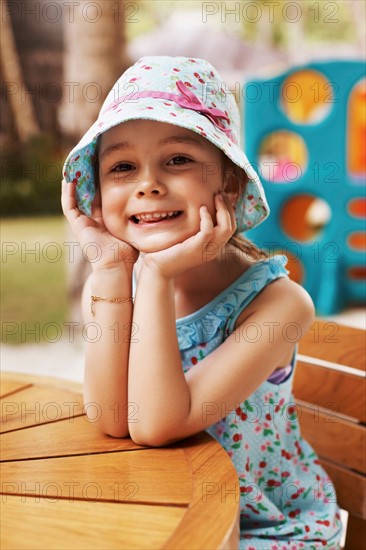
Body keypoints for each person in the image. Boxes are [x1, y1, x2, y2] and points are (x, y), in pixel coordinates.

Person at [62, 56, 342, 549]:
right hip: (160, 514)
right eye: (122, 167)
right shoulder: (110, 287)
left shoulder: (278, 305)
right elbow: (110, 418)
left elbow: (155, 425)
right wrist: (111, 272)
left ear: (228, 183)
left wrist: (154, 274)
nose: (148, 184)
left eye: (178, 160)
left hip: (263, 530)